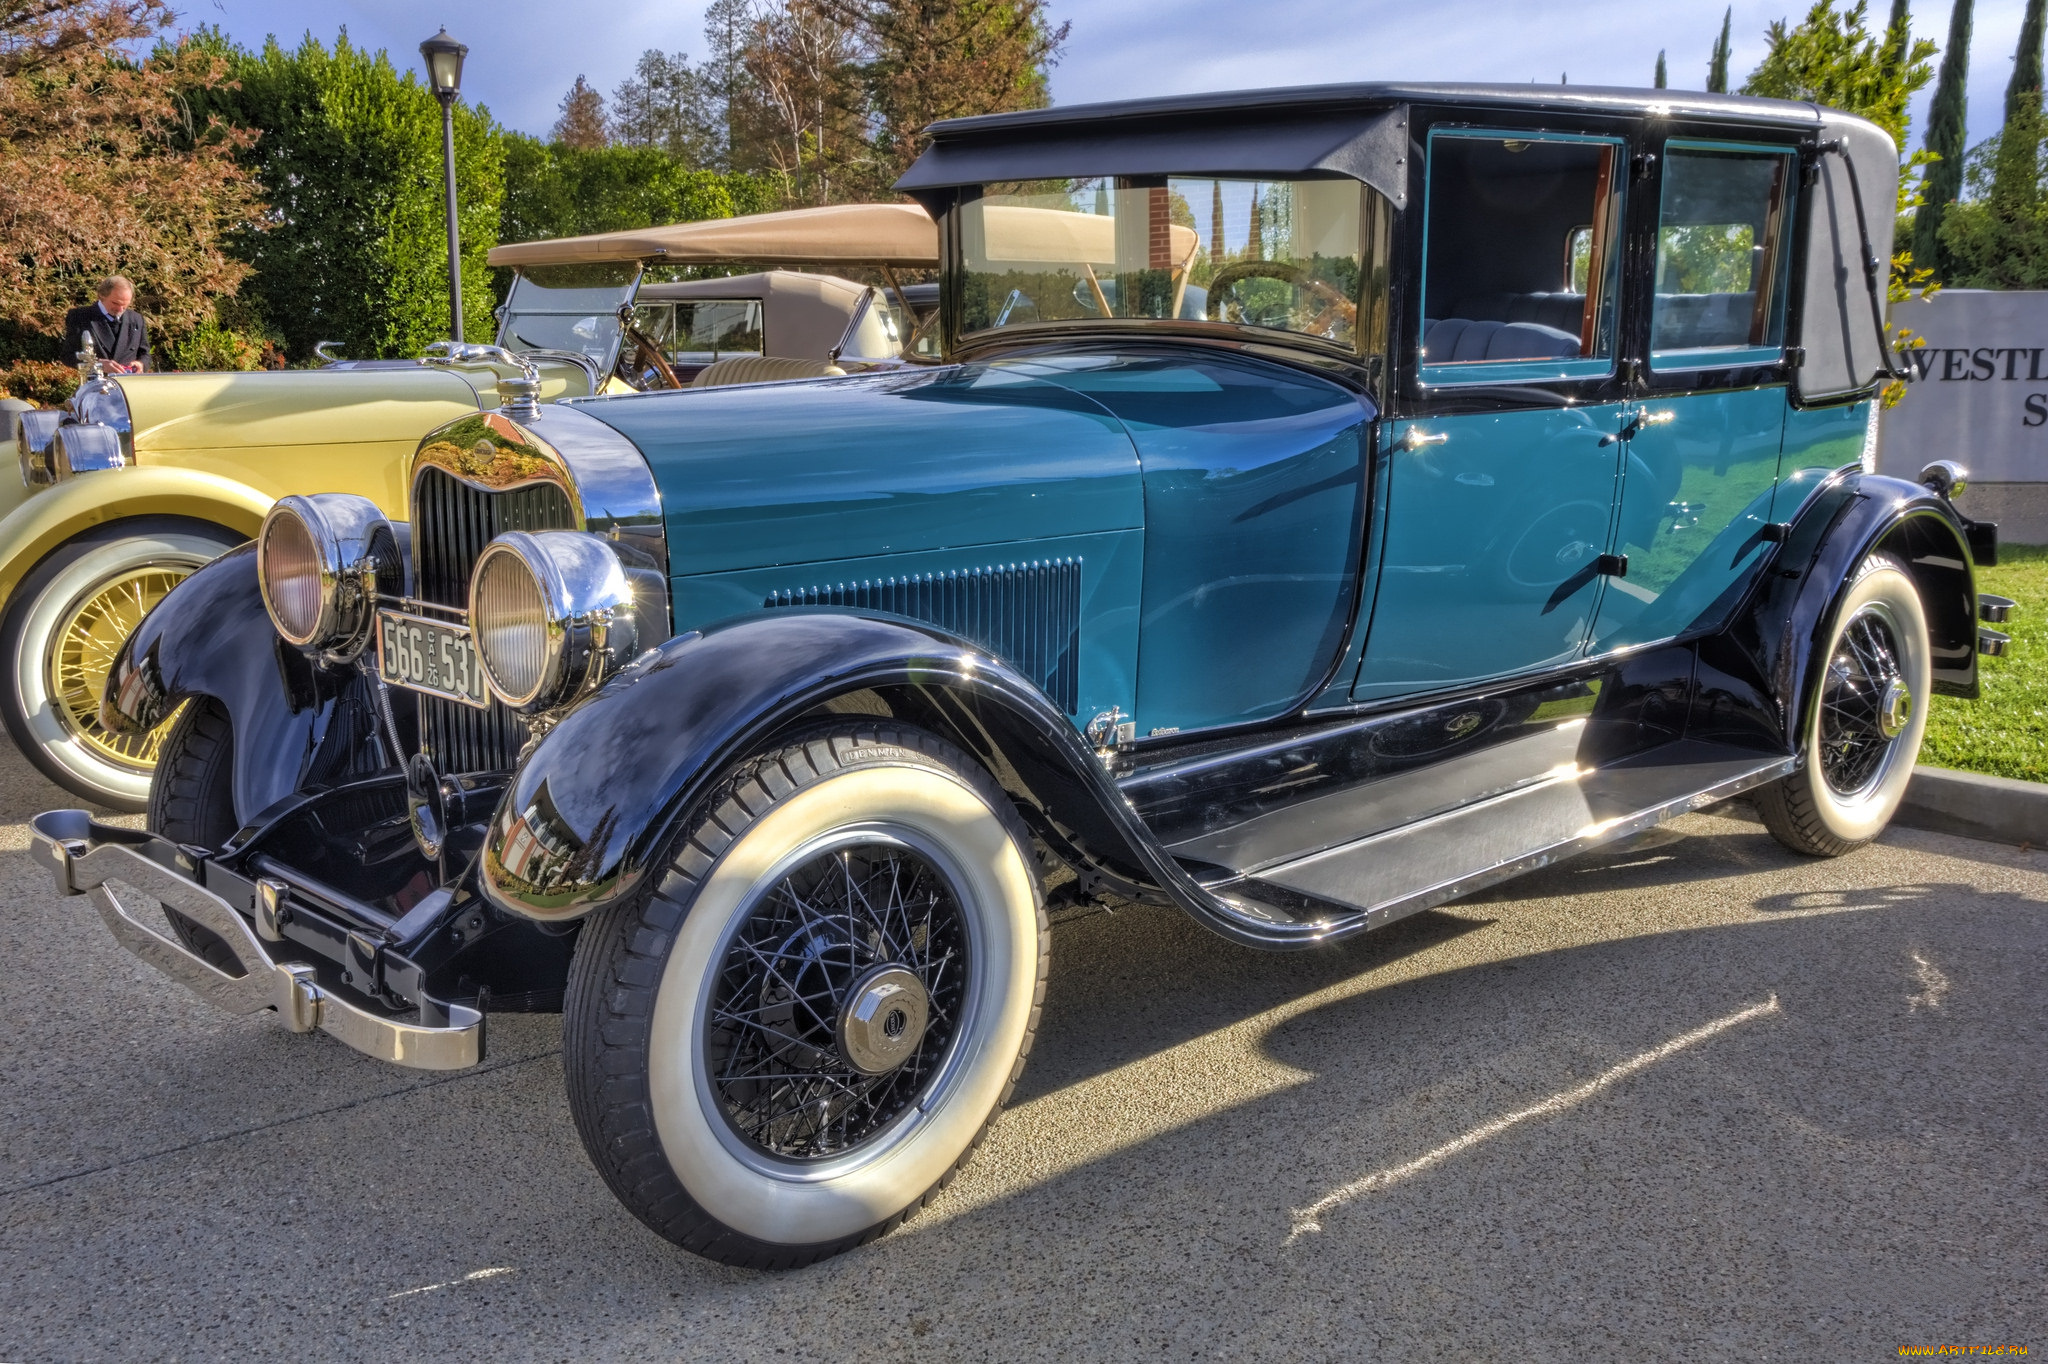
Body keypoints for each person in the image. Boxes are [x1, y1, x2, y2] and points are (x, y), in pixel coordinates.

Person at [62, 276, 150, 374]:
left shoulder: (136, 319)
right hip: (98, 385)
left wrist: (141, 364)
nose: (120, 309)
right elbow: (68, 356)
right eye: (115, 303)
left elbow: (145, 354)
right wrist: (98, 365)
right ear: (102, 295)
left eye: (125, 305)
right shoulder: (81, 316)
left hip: (128, 384)